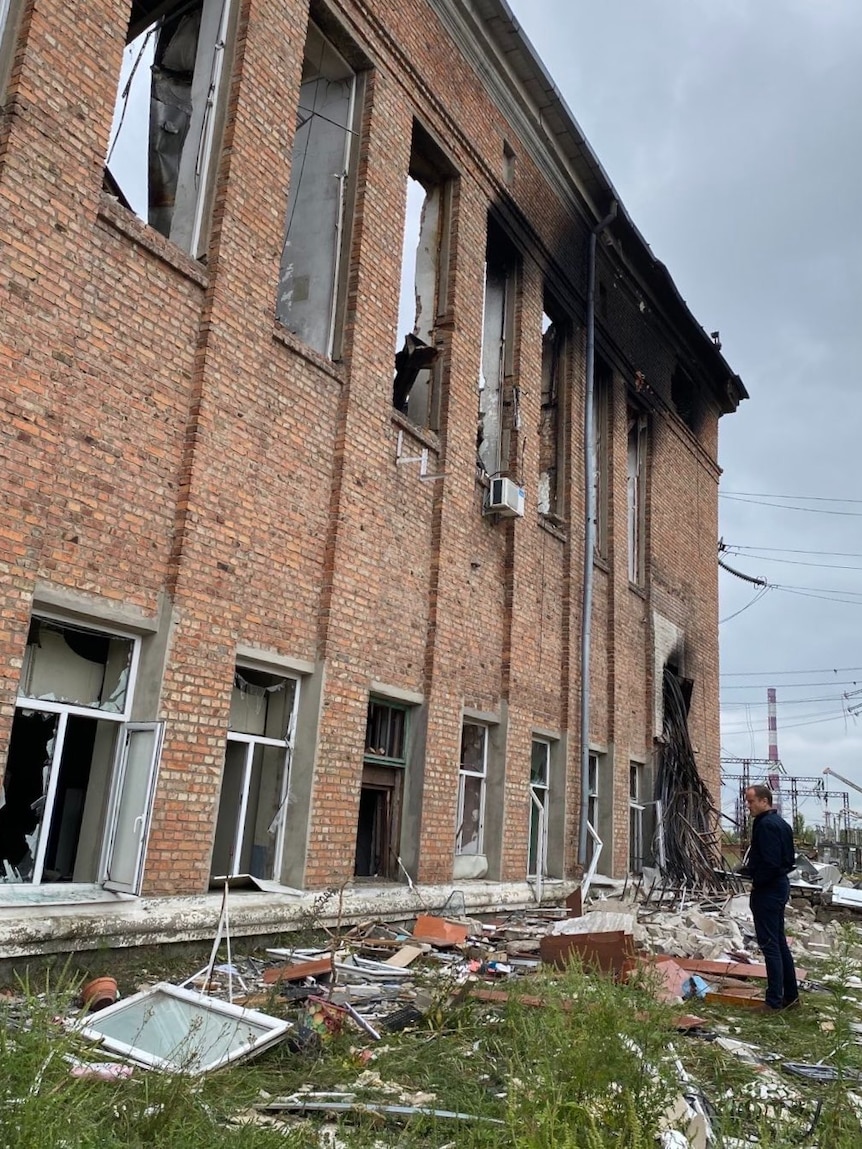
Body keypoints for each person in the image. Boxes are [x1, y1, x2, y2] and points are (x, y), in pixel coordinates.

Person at [744, 784, 799, 1011]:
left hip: (768, 889)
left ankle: (774, 1000)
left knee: (770, 946)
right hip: (779, 885)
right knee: (779, 943)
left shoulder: (766, 825)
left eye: (751, 801)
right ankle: (791, 996)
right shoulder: (781, 824)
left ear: (764, 801)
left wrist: (756, 879)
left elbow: (770, 861)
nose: (748, 806)